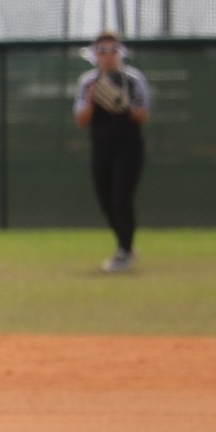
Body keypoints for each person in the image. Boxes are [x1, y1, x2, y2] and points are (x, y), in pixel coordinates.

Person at [72, 30, 150, 273]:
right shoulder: (88, 82)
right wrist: (92, 99)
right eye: (102, 51)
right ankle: (126, 244)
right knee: (105, 201)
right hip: (101, 148)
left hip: (129, 147)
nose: (108, 55)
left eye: (113, 50)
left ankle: (123, 252)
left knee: (121, 199)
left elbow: (143, 115)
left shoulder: (133, 79)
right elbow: (81, 120)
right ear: (95, 55)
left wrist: (123, 105)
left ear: (120, 52)